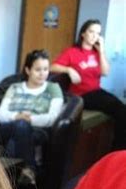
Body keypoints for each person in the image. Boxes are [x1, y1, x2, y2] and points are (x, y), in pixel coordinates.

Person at [51, 19, 126, 150]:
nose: (94, 36)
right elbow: (53, 67)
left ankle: (118, 148)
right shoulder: (72, 52)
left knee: (120, 108)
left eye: (97, 33)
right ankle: (117, 150)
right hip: (81, 95)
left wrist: (102, 51)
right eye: (91, 32)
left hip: (96, 91)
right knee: (120, 109)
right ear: (83, 34)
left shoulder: (97, 53)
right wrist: (69, 69)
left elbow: (105, 72)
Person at [0, 49, 64, 186]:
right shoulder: (15, 88)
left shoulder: (53, 88)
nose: (42, 74)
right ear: (28, 70)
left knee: (20, 131)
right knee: (20, 126)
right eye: (38, 69)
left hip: (38, 130)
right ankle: (30, 169)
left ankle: (24, 169)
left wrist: (30, 119)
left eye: (45, 69)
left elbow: (52, 117)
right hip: (9, 128)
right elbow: (0, 115)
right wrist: (17, 116)